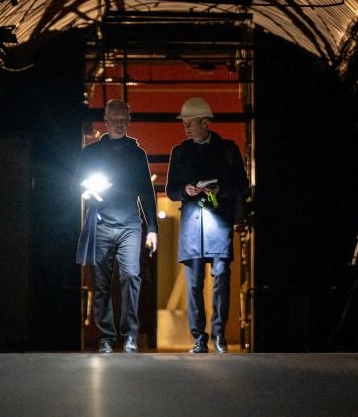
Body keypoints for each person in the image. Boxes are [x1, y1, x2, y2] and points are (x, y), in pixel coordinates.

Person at [165, 96, 248, 353]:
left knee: (221, 276)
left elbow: (242, 185)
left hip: (218, 220)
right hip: (193, 222)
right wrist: (185, 190)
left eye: (191, 122)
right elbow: (170, 190)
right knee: (193, 283)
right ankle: (199, 338)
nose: (186, 127)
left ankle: (219, 334)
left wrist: (220, 188)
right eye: (185, 123)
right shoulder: (179, 152)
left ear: (205, 123)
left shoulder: (227, 149)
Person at [75, 99, 158, 354]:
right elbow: (77, 184)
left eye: (123, 120)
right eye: (114, 120)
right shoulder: (91, 153)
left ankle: (130, 334)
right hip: (101, 223)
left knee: (131, 276)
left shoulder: (137, 154)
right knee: (101, 282)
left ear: (129, 121)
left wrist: (153, 228)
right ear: (106, 120)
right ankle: (106, 337)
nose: (119, 124)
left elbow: (146, 192)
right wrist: (88, 189)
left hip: (130, 223)